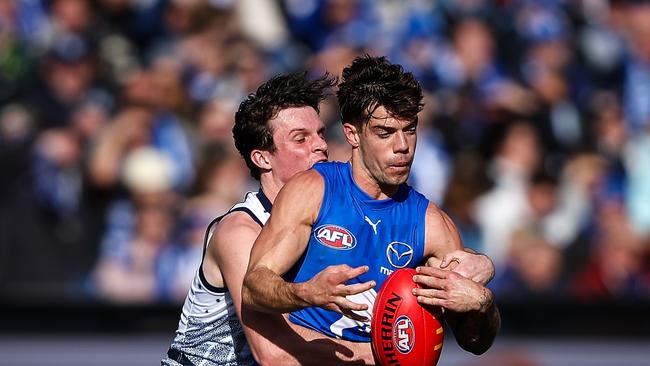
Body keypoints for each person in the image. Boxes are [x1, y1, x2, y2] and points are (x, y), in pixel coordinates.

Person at [242, 55, 500, 355]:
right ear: (353, 134)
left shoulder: (431, 224)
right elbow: (253, 287)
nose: (403, 146)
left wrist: (483, 304)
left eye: (410, 129)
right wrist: (305, 293)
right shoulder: (313, 190)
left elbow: (474, 342)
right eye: (385, 133)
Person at [163, 72, 377, 366]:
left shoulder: (330, 223)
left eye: (321, 133)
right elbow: (276, 356)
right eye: (301, 138)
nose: (321, 146)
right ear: (262, 159)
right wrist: (388, 353)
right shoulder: (240, 232)